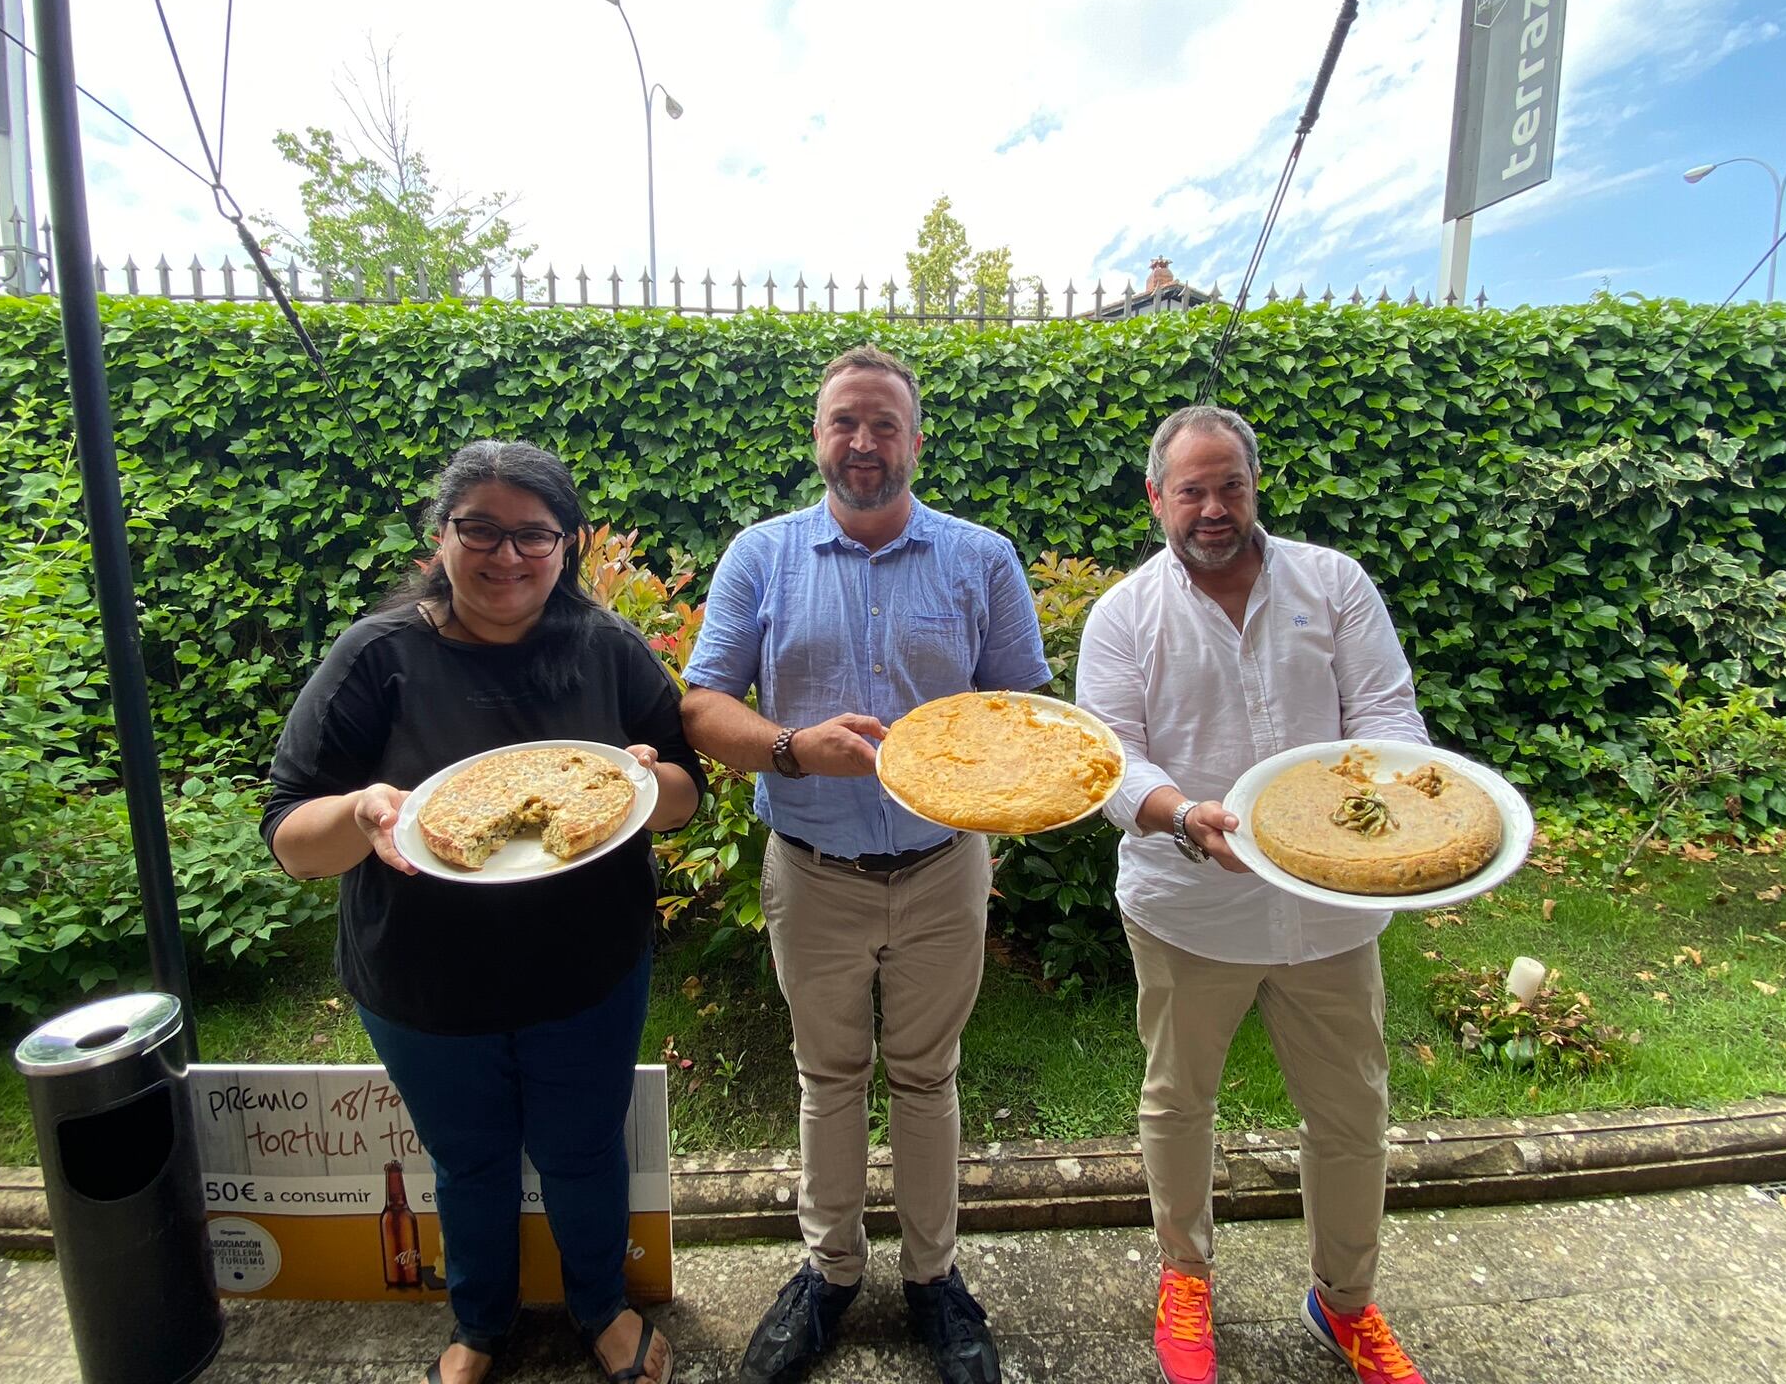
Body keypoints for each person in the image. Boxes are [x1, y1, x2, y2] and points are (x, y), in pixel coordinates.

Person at [263, 441, 703, 1384]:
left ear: (567, 543)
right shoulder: (377, 657)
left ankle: (600, 1306)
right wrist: (364, 809)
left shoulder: (604, 646)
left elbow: (683, 794)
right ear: (441, 537)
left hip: (587, 969)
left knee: (585, 1151)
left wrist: (638, 779)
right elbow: (292, 839)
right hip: (423, 985)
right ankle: (480, 1323)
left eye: (533, 535)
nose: (507, 556)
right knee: (468, 1163)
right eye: (482, 530)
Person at [680, 344, 1050, 1384]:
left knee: (928, 1077)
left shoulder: (980, 557)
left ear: (915, 440)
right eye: (844, 422)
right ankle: (829, 1272)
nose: (863, 443)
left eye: (884, 424)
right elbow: (702, 707)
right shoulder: (759, 556)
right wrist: (794, 745)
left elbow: (1024, 710)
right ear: (817, 437)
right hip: (812, 867)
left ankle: (934, 1280)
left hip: (942, 870)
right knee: (827, 1075)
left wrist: (993, 775)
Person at [1075, 405, 1433, 1384]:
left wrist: (1370, 820)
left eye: (1228, 483)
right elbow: (1108, 762)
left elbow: (1386, 712)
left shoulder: (1332, 584)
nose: (1212, 507)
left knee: (1352, 1114)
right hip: (1188, 907)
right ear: (1155, 498)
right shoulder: (1123, 616)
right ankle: (1183, 1277)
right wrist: (1181, 814)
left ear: (1252, 485)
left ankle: (1344, 1302)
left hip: (1328, 910)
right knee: (1178, 1103)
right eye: (1189, 489)